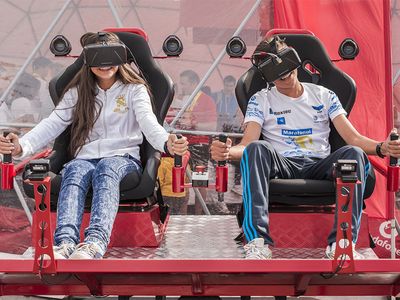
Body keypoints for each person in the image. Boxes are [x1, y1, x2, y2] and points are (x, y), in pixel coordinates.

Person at [0, 32, 188, 259]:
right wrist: (22, 145)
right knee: (74, 170)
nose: (104, 64)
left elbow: (149, 124)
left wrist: (167, 143)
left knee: (106, 169)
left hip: (122, 158)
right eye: (97, 57)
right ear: (87, 60)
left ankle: (95, 242)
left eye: (110, 56)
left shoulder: (134, 90)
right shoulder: (78, 92)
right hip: (85, 157)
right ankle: (65, 243)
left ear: (121, 58)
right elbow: (53, 123)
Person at [210, 36, 400, 259]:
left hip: (320, 164)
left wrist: (382, 148)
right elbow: (248, 143)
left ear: (295, 62)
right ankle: (256, 242)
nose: (285, 77)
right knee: (257, 149)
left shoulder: (324, 95)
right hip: (282, 164)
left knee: (354, 154)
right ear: (269, 77)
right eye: (278, 76)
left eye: (288, 69)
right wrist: (227, 152)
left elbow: (354, 139)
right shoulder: (260, 99)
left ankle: (342, 243)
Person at [177, 70, 224, 214]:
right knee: (181, 182)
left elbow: (212, 126)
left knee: (199, 182)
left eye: (183, 84)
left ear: (194, 83)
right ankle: (182, 214)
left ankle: (199, 214)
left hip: (200, 145)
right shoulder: (181, 99)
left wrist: (193, 124)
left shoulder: (206, 100)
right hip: (182, 144)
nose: (182, 87)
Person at [212, 75, 243, 195]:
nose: (229, 88)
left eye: (231, 86)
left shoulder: (237, 98)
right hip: (219, 128)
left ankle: (236, 183)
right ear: (224, 84)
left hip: (233, 130)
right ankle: (216, 180)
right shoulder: (217, 96)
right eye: (227, 85)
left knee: (235, 155)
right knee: (218, 153)